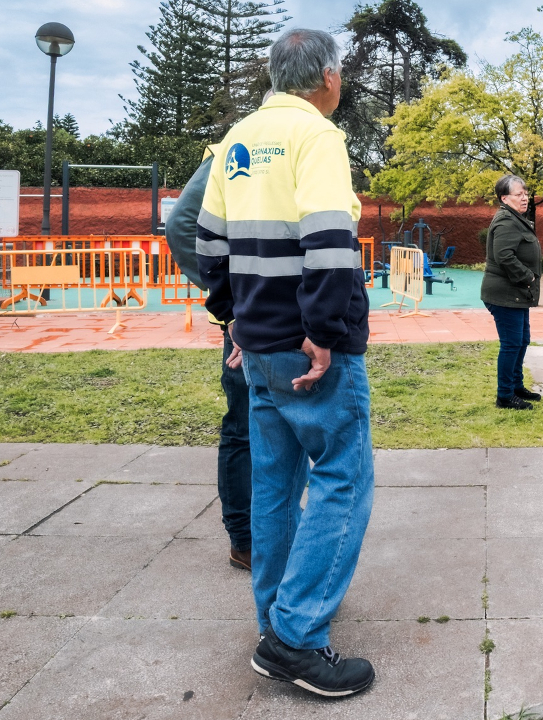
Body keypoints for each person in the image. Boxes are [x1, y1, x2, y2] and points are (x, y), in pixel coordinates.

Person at [197, 28, 375, 697]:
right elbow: (329, 240)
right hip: (308, 347)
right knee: (343, 479)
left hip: (258, 344)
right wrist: (324, 331)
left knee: (274, 487)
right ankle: (297, 639)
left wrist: (232, 319)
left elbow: (208, 243)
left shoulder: (236, 139)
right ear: (327, 76)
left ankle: (276, 621)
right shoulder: (317, 137)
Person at [164, 141, 253, 572]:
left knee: (275, 430)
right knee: (244, 428)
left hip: (276, 315)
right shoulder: (235, 148)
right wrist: (231, 304)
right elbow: (181, 225)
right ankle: (245, 539)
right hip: (248, 319)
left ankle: (273, 530)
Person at [480, 174, 543, 410]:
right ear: (504, 198)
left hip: (516, 294)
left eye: (526, 193)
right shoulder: (506, 221)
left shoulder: (516, 218)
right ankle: (505, 396)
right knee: (511, 344)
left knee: (521, 341)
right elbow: (504, 256)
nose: (525, 198)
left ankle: (516, 386)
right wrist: (528, 277)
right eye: (519, 194)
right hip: (505, 294)